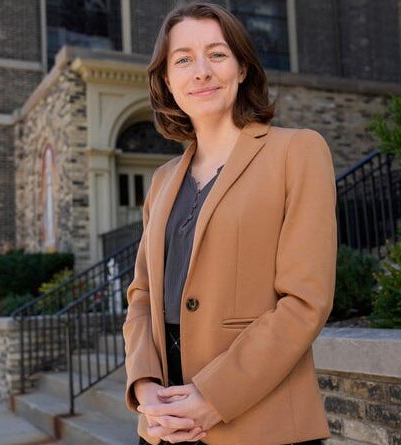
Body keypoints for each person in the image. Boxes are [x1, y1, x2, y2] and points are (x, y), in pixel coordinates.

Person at [122, 2, 337, 445]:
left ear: (241, 69)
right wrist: (145, 389)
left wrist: (211, 396)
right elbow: (141, 297)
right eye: (183, 59)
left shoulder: (297, 152)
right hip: (164, 428)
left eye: (217, 54)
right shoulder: (162, 182)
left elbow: (304, 301)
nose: (201, 71)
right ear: (167, 80)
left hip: (261, 426)